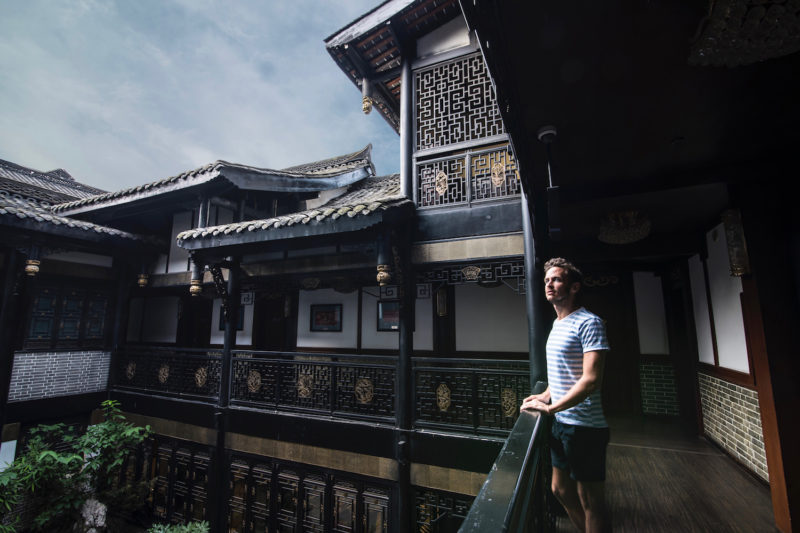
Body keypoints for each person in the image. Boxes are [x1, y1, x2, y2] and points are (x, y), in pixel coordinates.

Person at [521, 257, 610, 533]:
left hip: (585, 426)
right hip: (561, 423)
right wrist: (545, 396)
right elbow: (561, 374)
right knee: (559, 489)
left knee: (590, 500)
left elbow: (591, 380)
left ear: (574, 287)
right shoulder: (558, 324)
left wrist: (552, 408)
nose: (549, 284)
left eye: (556, 279)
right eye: (547, 280)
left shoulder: (589, 322)